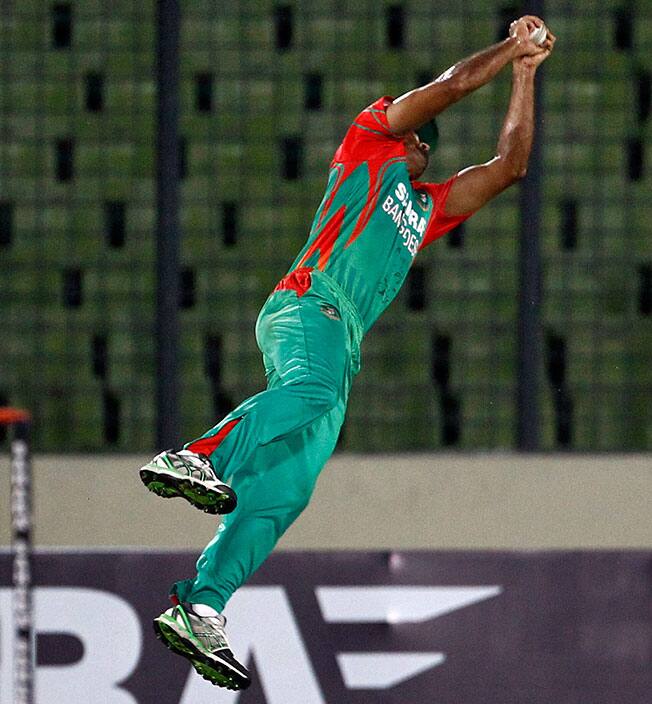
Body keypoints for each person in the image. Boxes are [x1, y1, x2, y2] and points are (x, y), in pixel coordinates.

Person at [139, 15, 556, 691]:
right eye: (417, 133)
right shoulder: (370, 143)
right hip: (310, 302)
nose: (420, 143)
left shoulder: (424, 212)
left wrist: (526, 76)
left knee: (284, 493)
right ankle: (198, 455)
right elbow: (449, 85)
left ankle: (202, 605)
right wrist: (511, 45)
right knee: (313, 391)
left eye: (427, 144)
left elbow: (510, 167)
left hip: (344, 338)